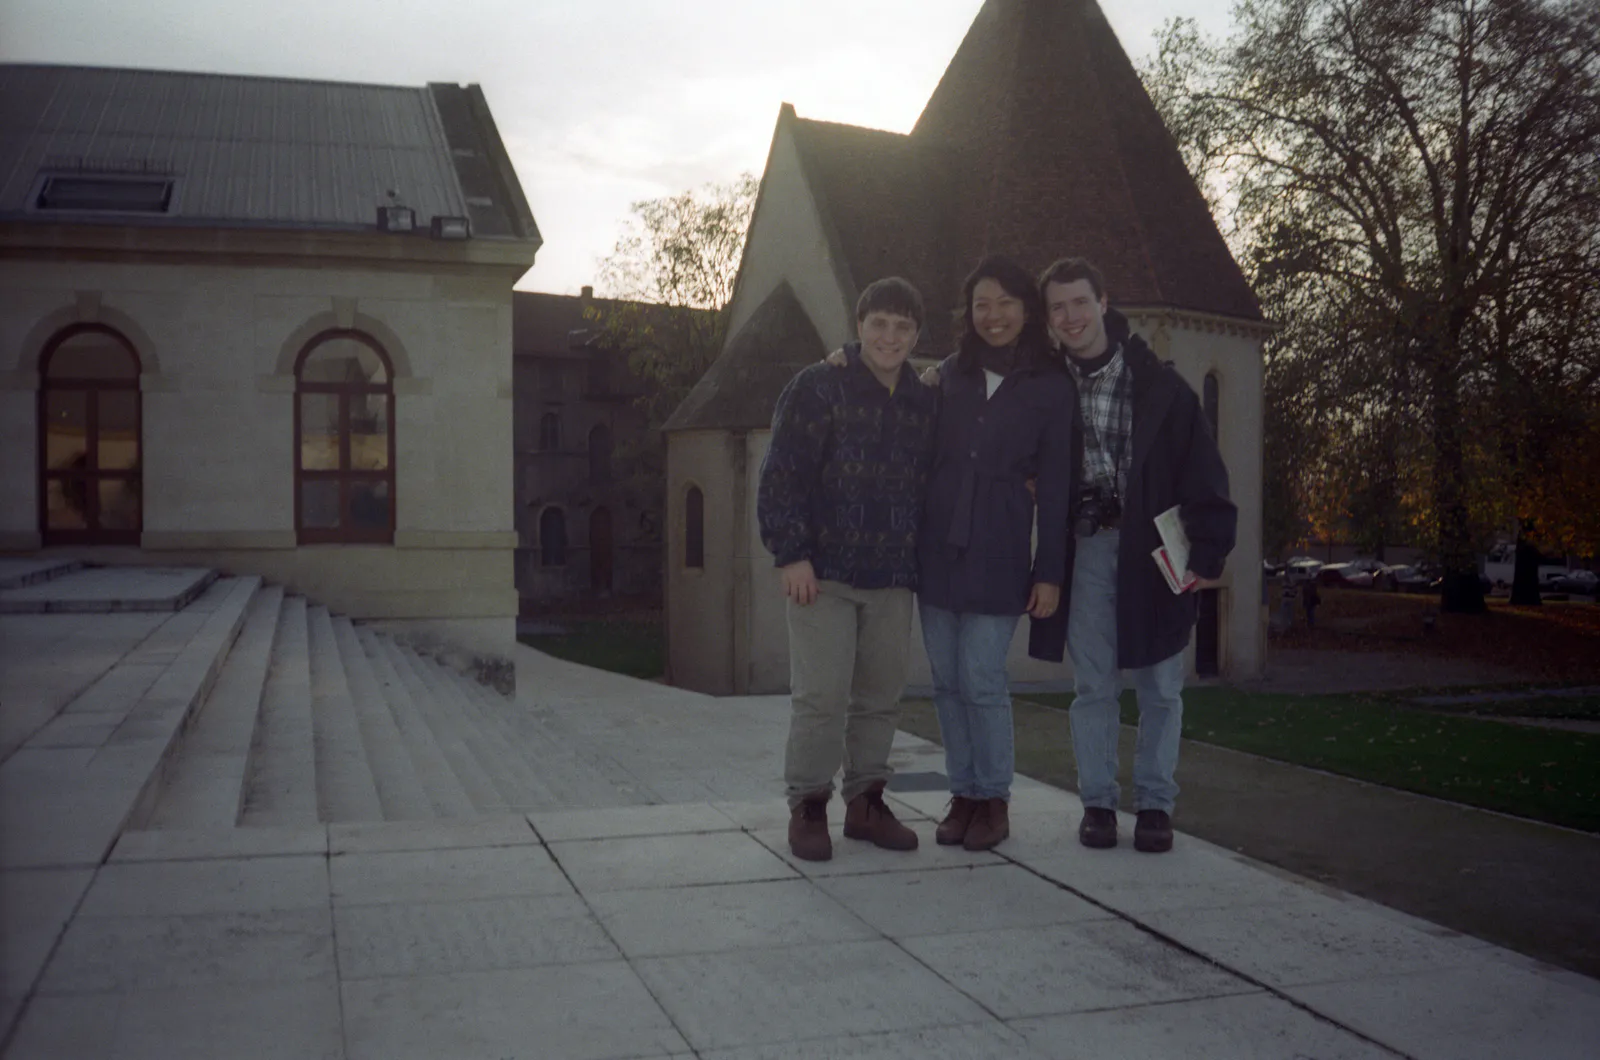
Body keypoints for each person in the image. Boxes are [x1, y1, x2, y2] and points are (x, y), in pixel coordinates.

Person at [1028, 257, 1237, 854]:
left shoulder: (1163, 388)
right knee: (1094, 685)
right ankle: (1097, 802)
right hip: (1087, 548)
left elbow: (1205, 472)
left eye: (1079, 303)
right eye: (1058, 307)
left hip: (1155, 549)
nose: (1070, 317)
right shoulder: (1045, 386)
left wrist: (1208, 550)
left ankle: (1154, 806)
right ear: (1049, 319)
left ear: (1103, 302)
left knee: (1161, 686)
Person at [757, 276, 940, 862]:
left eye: (902, 327)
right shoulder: (818, 386)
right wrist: (791, 553)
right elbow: (783, 473)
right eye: (879, 324)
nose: (890, 336)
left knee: (880, 696)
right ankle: (809, 806)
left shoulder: (923, 398)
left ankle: (867, 803)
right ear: (859, 325)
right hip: (823, 574)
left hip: (892, 573)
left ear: (916, 335)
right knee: (822, 697)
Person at [918, 255, 1074, 852]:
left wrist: (1050, 572)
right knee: (945, 681)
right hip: (937, 549)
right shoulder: (947, 376)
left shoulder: (1049, 387)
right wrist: (844, 358)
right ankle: (963, 794)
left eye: (1006, 303)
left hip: (1002, 549)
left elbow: (1057, 483)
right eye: (982, 304)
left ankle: (993, 798)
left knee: (982, 677)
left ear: (1027, 310)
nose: (994, 315)